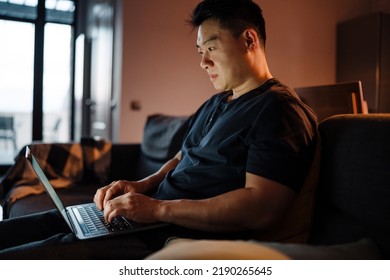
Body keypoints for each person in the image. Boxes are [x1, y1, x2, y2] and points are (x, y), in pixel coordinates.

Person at [0, 0, 317, 259]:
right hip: (147, 222)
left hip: (167, 238)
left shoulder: (278, 110)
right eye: (199, 52)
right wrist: (142, 184)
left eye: (211, 48)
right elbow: (182, 156)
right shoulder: (216, 103)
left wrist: (159, 209)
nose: (203, 62)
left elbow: (261, 207)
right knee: (30, 226)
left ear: (248, 39)